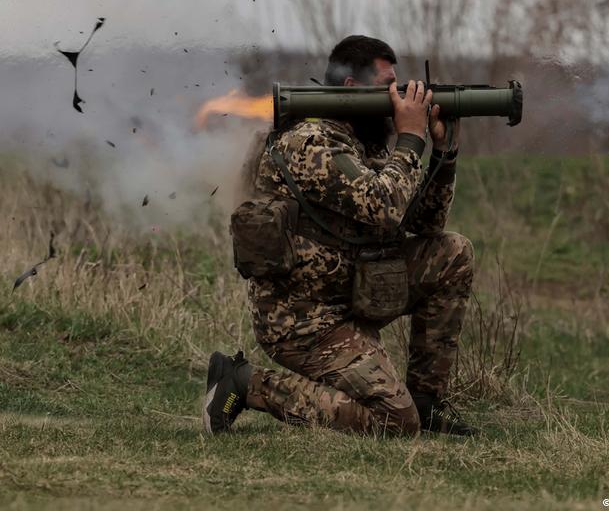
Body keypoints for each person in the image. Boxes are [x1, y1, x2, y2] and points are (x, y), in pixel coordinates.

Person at [204, 35, 476, 436]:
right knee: (394, 423)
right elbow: (382, 204)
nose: (398, 97)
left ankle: (426, 401)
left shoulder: (364, 141)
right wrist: (411, 138)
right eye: (388, 86)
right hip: (304, 320)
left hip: (352, 295)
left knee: (452, 252)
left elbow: (423, 225)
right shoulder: (311, 143)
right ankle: (246, 383)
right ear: (352, 88)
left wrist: (443, 153)